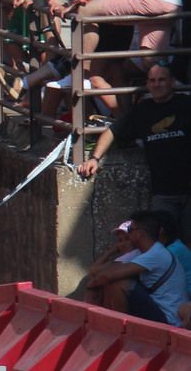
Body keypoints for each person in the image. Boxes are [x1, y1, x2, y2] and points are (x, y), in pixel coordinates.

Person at [77, 63, 191, 239]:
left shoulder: (185, 104)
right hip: (163, 193)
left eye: (162, 80)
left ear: (172, 83)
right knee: (159, 241)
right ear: (147, 85)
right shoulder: (142, 111)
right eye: (152, 80)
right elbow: (112, 131)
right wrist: (94, 158)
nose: (157, 84)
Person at [81, 208, 189, 323]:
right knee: (110, 280)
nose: (128, 233)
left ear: (139, 234)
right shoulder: (141, 252)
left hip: (168, 317)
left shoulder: (156, 254)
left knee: (120, 283)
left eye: (130, 230)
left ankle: (117, 326)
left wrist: (90, 286)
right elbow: (100, 271)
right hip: (155, 307)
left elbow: (108, 275)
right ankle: (96, 320)